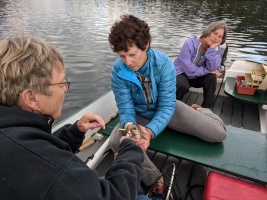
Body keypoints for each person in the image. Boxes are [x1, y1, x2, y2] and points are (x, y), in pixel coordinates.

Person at [0, 33, 149, 200]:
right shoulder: (48, 168)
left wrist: (74, 132)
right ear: (32, 98)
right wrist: (131, 150)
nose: (65, 89)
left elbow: (39, 151)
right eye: (61, 83)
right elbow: (115, 196)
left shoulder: (12, 134)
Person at [108, 14, 227, 190]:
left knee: (219, 134)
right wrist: (132, 128)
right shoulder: (118, 71)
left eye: (132, 54)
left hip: (168, 110)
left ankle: (201, 110)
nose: (128, 62)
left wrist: (149, 132)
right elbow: (126, 108)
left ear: (146, 45)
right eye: (122, 56)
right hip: (141, 115)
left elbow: (167, 106)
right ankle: (155, 179)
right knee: (117, 140)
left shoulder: (163, 63)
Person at [174, 21, 228, 109]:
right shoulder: (189, 43)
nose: (216, 38)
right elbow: (188, 68)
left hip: (196, 77)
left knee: (212, 78)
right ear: (209, 31)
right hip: (181, 73)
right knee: (182, 85)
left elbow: (213, 68)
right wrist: (207, 71)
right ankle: (173, 106)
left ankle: (206, 109)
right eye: (215, 33)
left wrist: (211, 50)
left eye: (220, 37)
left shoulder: (216, 49)